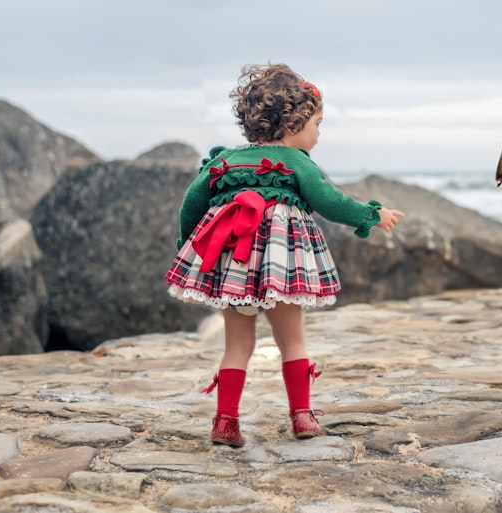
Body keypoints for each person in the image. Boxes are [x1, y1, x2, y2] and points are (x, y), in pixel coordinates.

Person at [165, 63, 404, 447]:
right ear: (294, 125)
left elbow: (191, 203)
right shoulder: (296, 163)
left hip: (232, 265)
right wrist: (372, 215)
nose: (319, 134)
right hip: (282, 266)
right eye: (317, 124)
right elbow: (330, 201)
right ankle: (303, 417)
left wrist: (188, 243)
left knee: (237, 345)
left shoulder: (223, 161)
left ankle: (226, 421)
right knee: (292, 341)